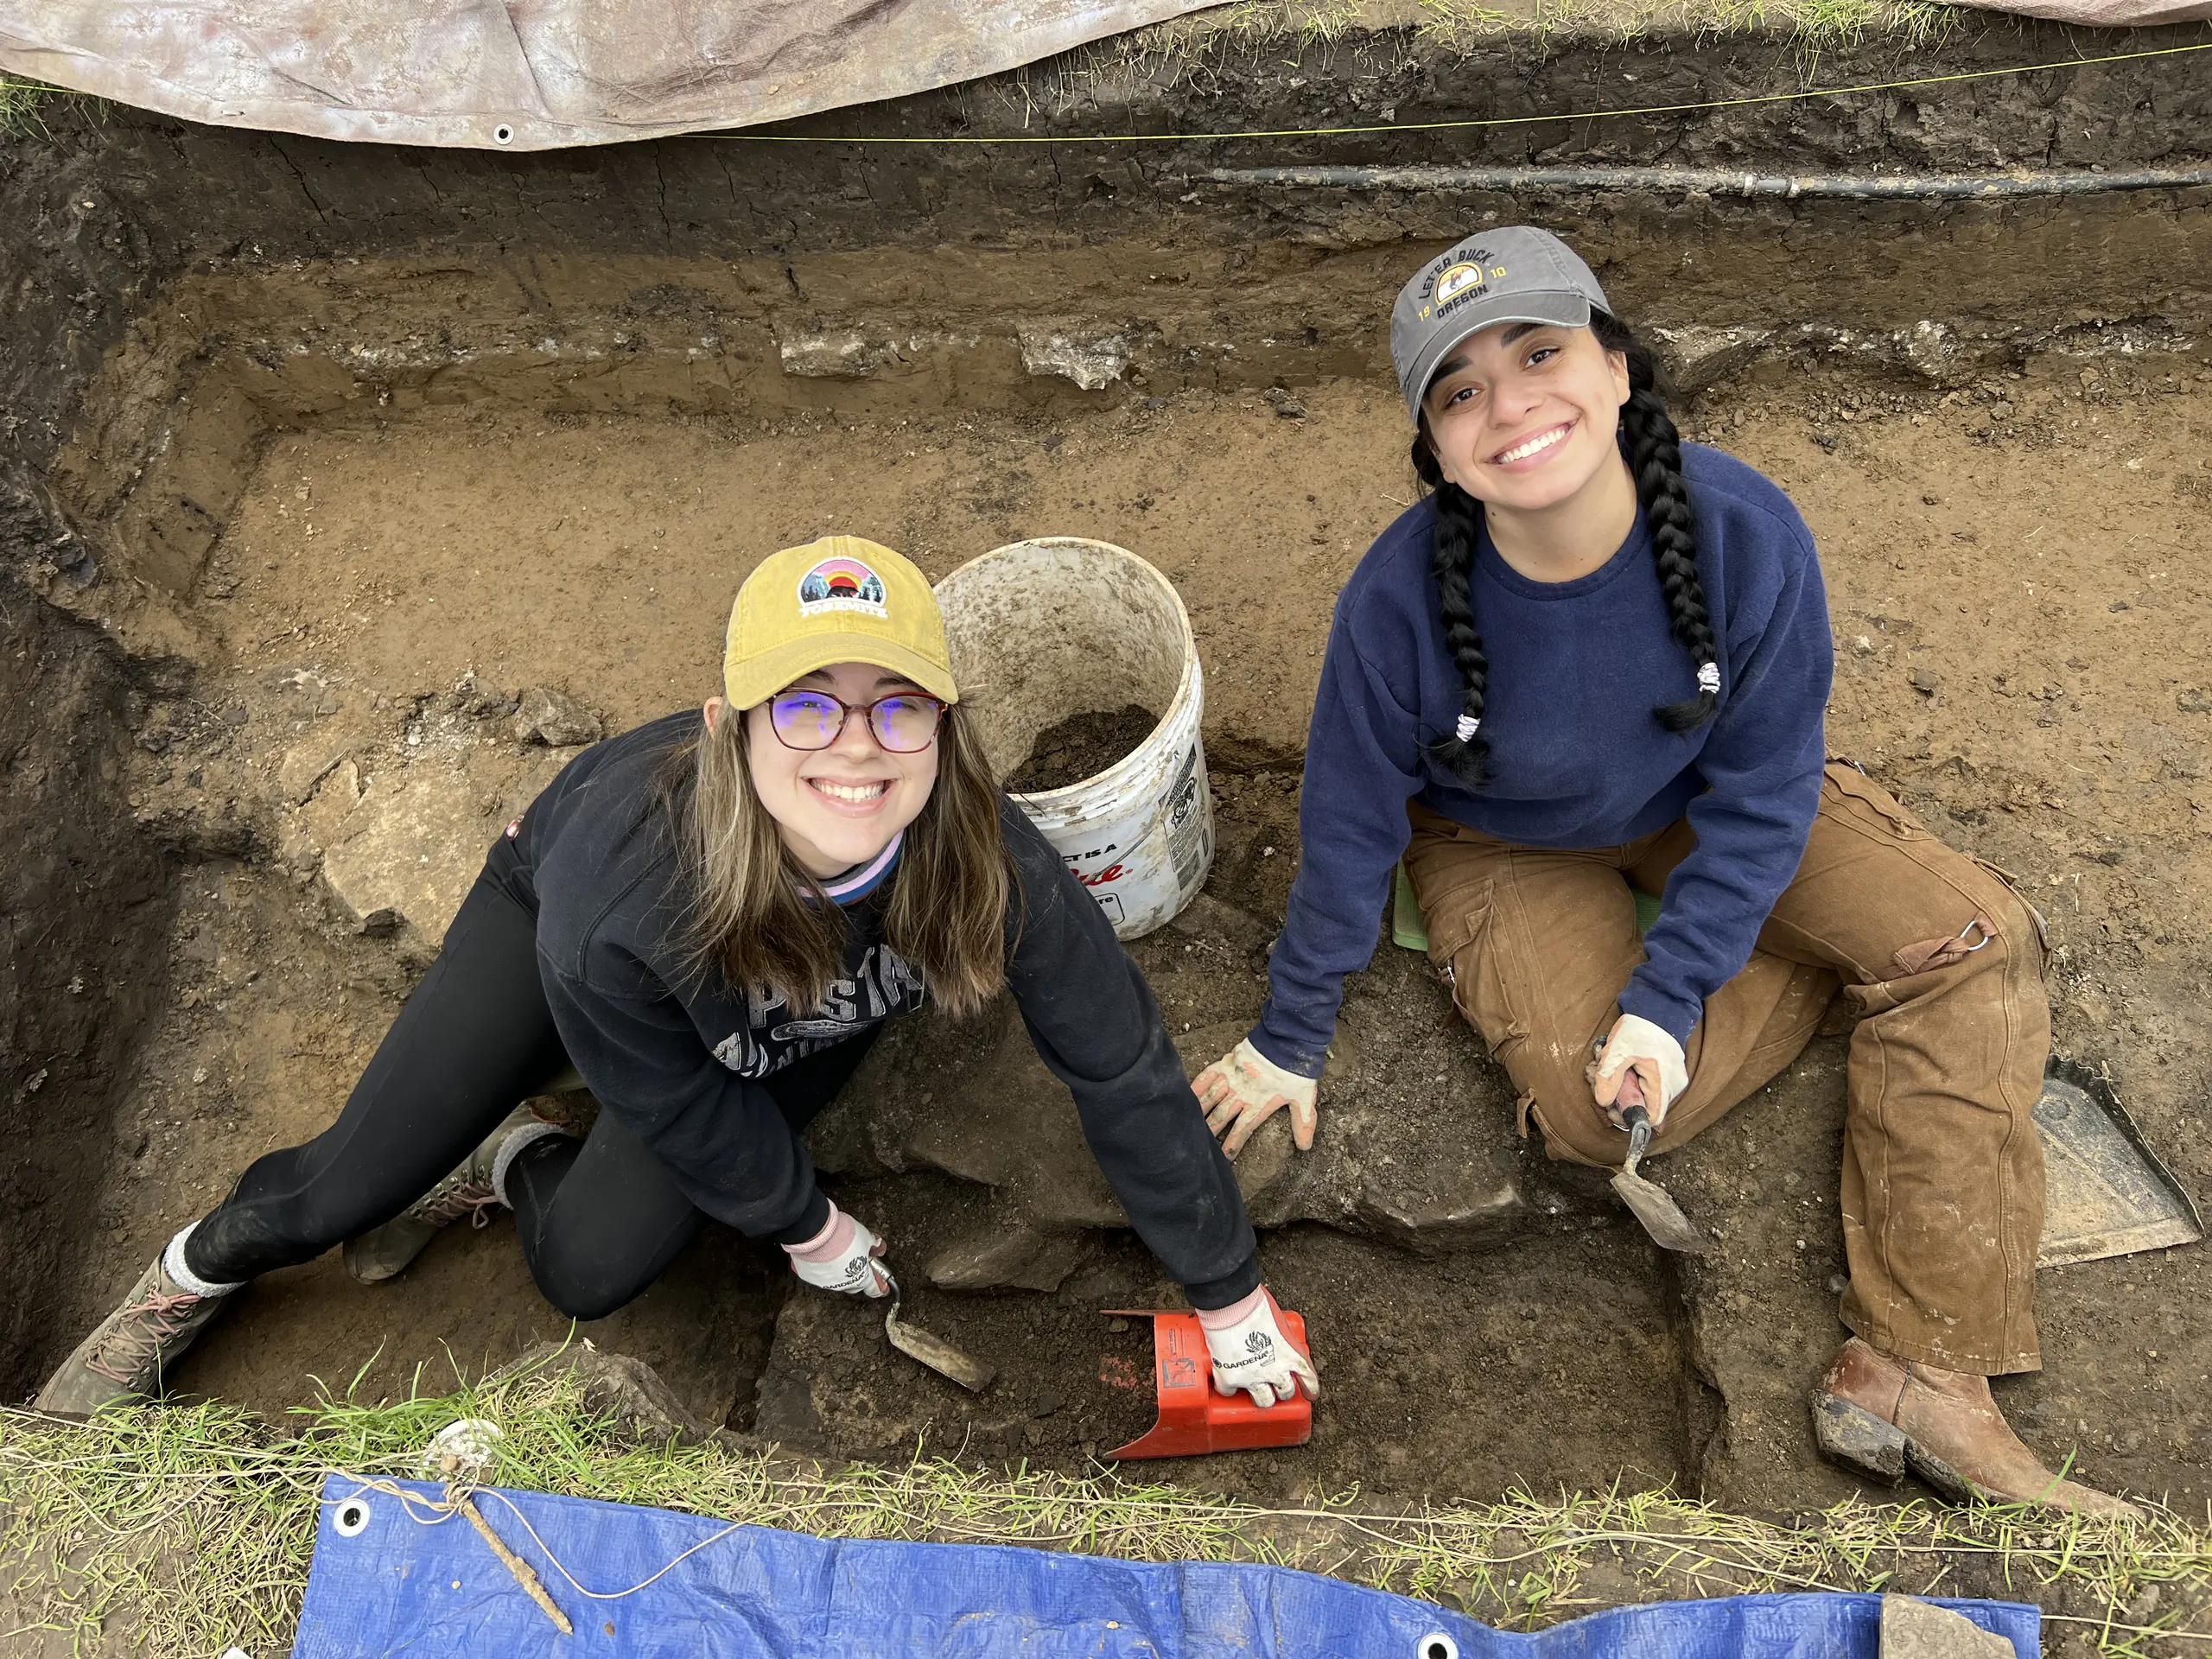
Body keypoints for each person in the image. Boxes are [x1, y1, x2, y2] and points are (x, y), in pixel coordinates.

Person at [1191, 228, 2133, 1518]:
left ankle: (1919, 1368)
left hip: (1702, 797)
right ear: (1437, 448)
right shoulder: (1396, 605)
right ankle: (1827, 977)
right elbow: (1352, 823)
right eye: (1460, 390)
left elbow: (1761, 783)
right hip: (1501, 839)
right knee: (1598, 1122)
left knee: (1973, 938)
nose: (1509, 405)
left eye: (1539, 352)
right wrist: (1287, 1040)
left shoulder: (1744, 531)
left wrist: (1667, 992)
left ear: (1618, 366)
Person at [39, 537, 1318, 1420]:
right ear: (731, 727)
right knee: (339, 1190)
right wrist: (808, 1222)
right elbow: (666, 1095)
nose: (857, 753)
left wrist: (1229, 1290)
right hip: (574, 936)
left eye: (898, 708)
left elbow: (1117, 1059)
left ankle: (511, 1160)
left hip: (777, 1008)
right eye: (807, 709)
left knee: (586, 1271)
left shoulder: (981, 847)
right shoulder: (617, 892)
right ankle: (197, 1267)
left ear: (946, 723)